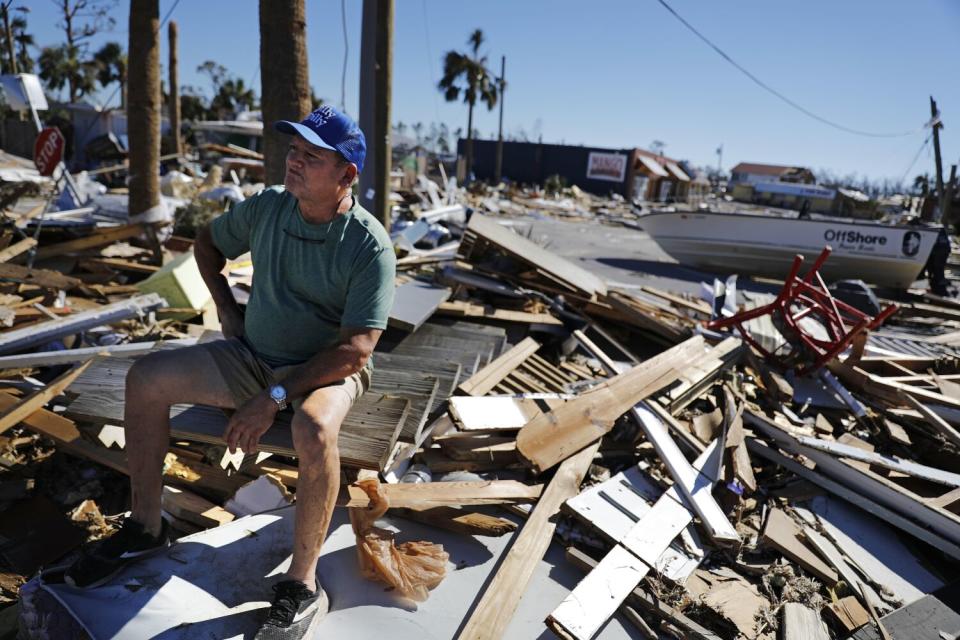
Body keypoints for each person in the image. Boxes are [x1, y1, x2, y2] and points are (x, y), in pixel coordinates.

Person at [63, 105, 397, 640]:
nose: (294, 161)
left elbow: (357, 350)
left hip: (327, 370)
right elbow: (206, 243)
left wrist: (276, 396)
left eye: (312, 156)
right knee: (144, 378)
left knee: (313, 428)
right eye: (293, 150)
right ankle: (147, 527)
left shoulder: (368, 244)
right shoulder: (268, 207)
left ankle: (300, 582)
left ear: (346, 174)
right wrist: (225, 306)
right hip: (253, 355)